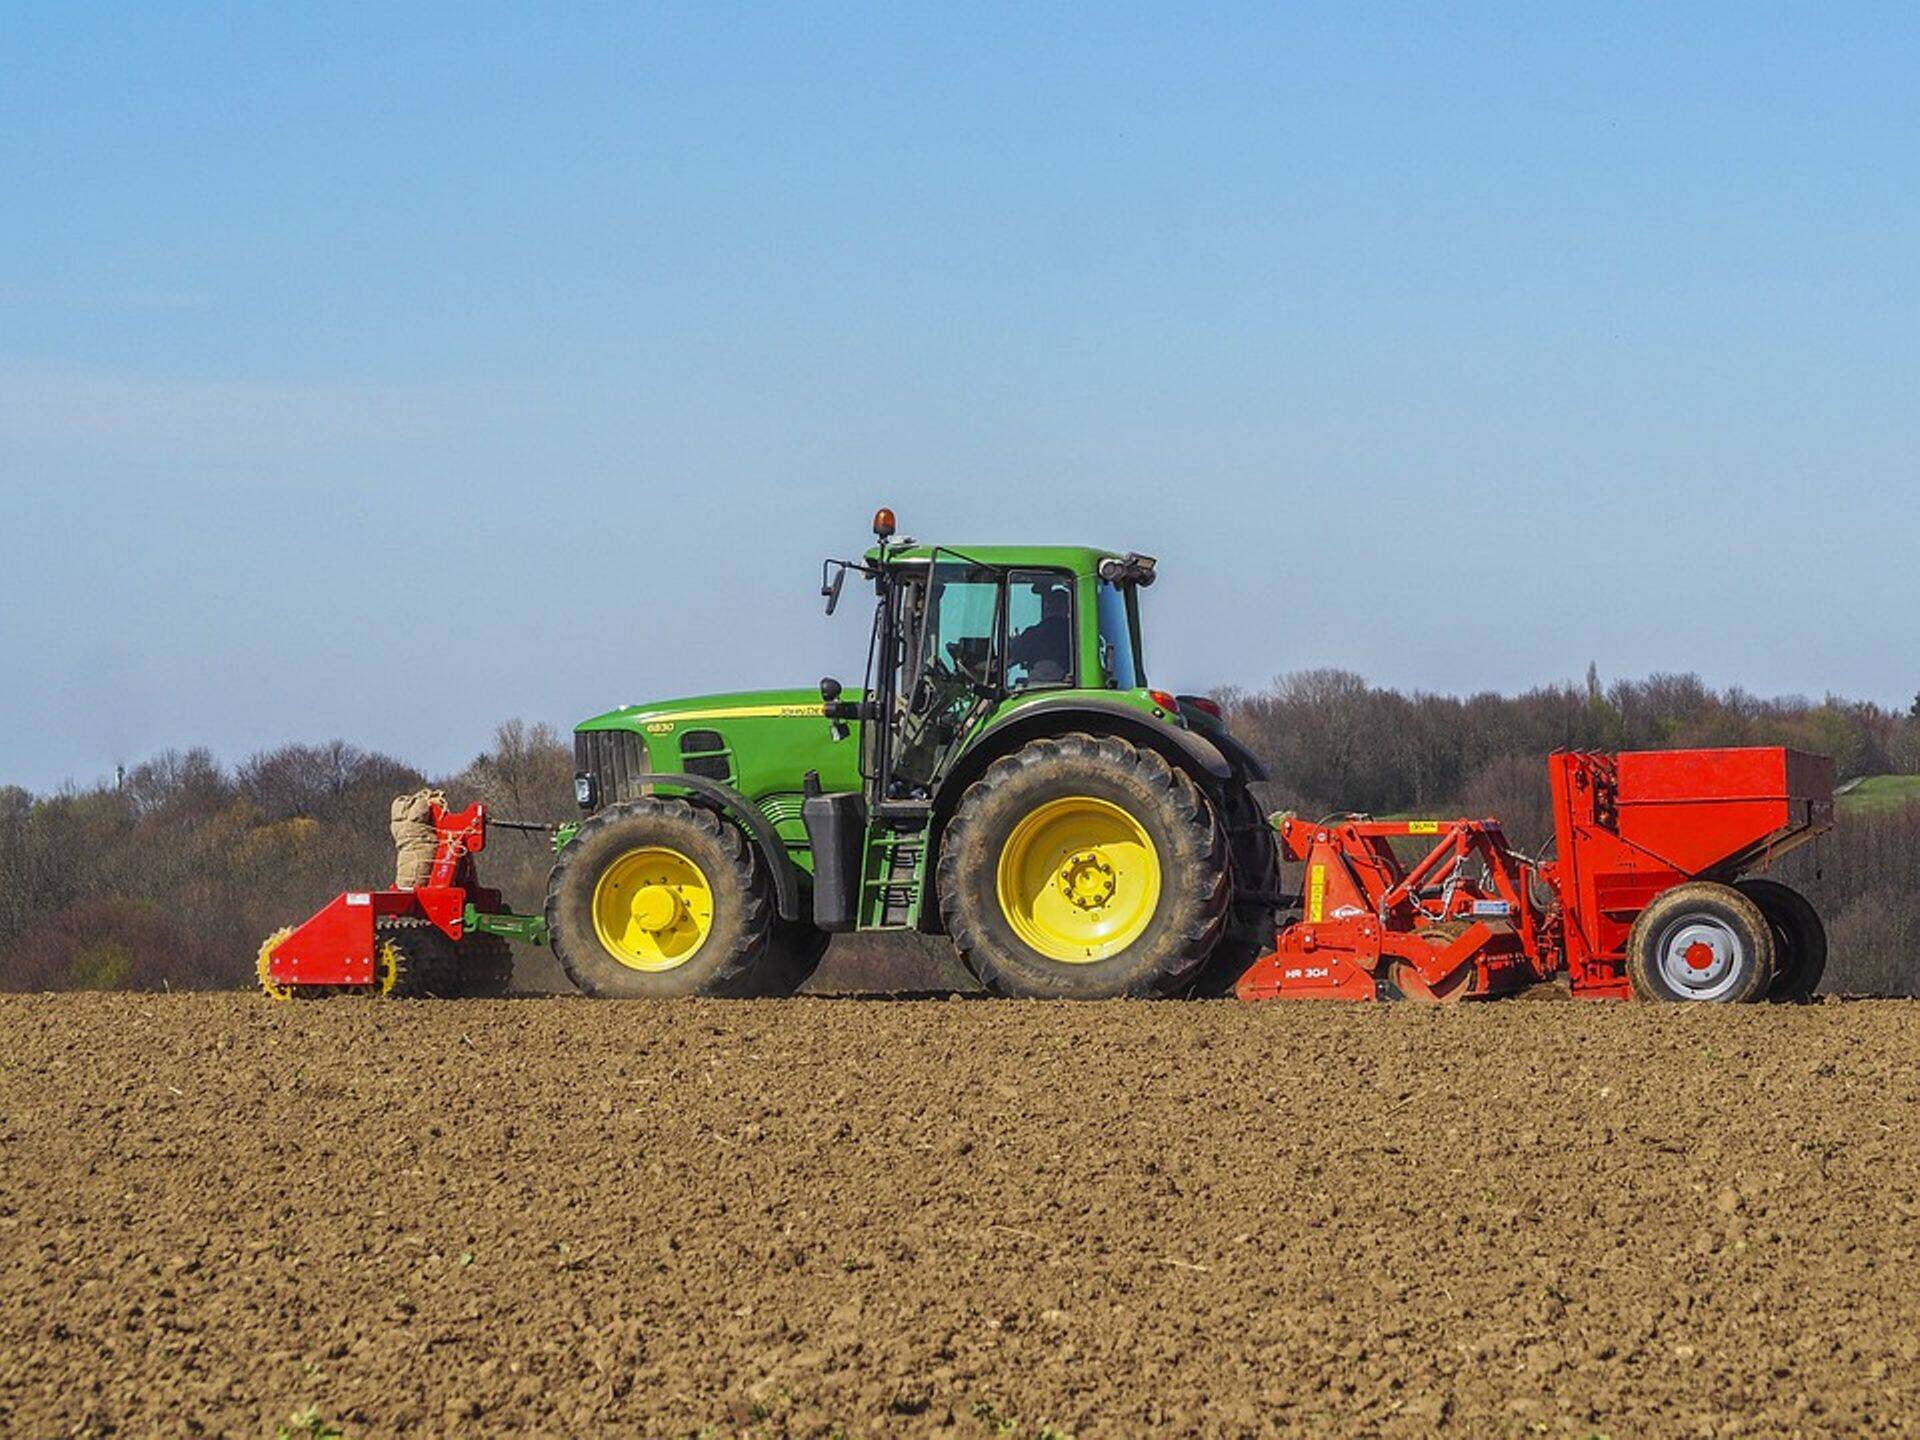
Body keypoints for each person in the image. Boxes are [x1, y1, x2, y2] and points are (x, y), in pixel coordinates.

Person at [1007, 584, 1072, 686]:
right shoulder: (1077, 635)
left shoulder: (1033, 634)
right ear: (1068, 609)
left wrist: (1013, 644)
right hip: (1069, 689)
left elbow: (1012, 657)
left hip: (1036, 689)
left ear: (1047, 607)